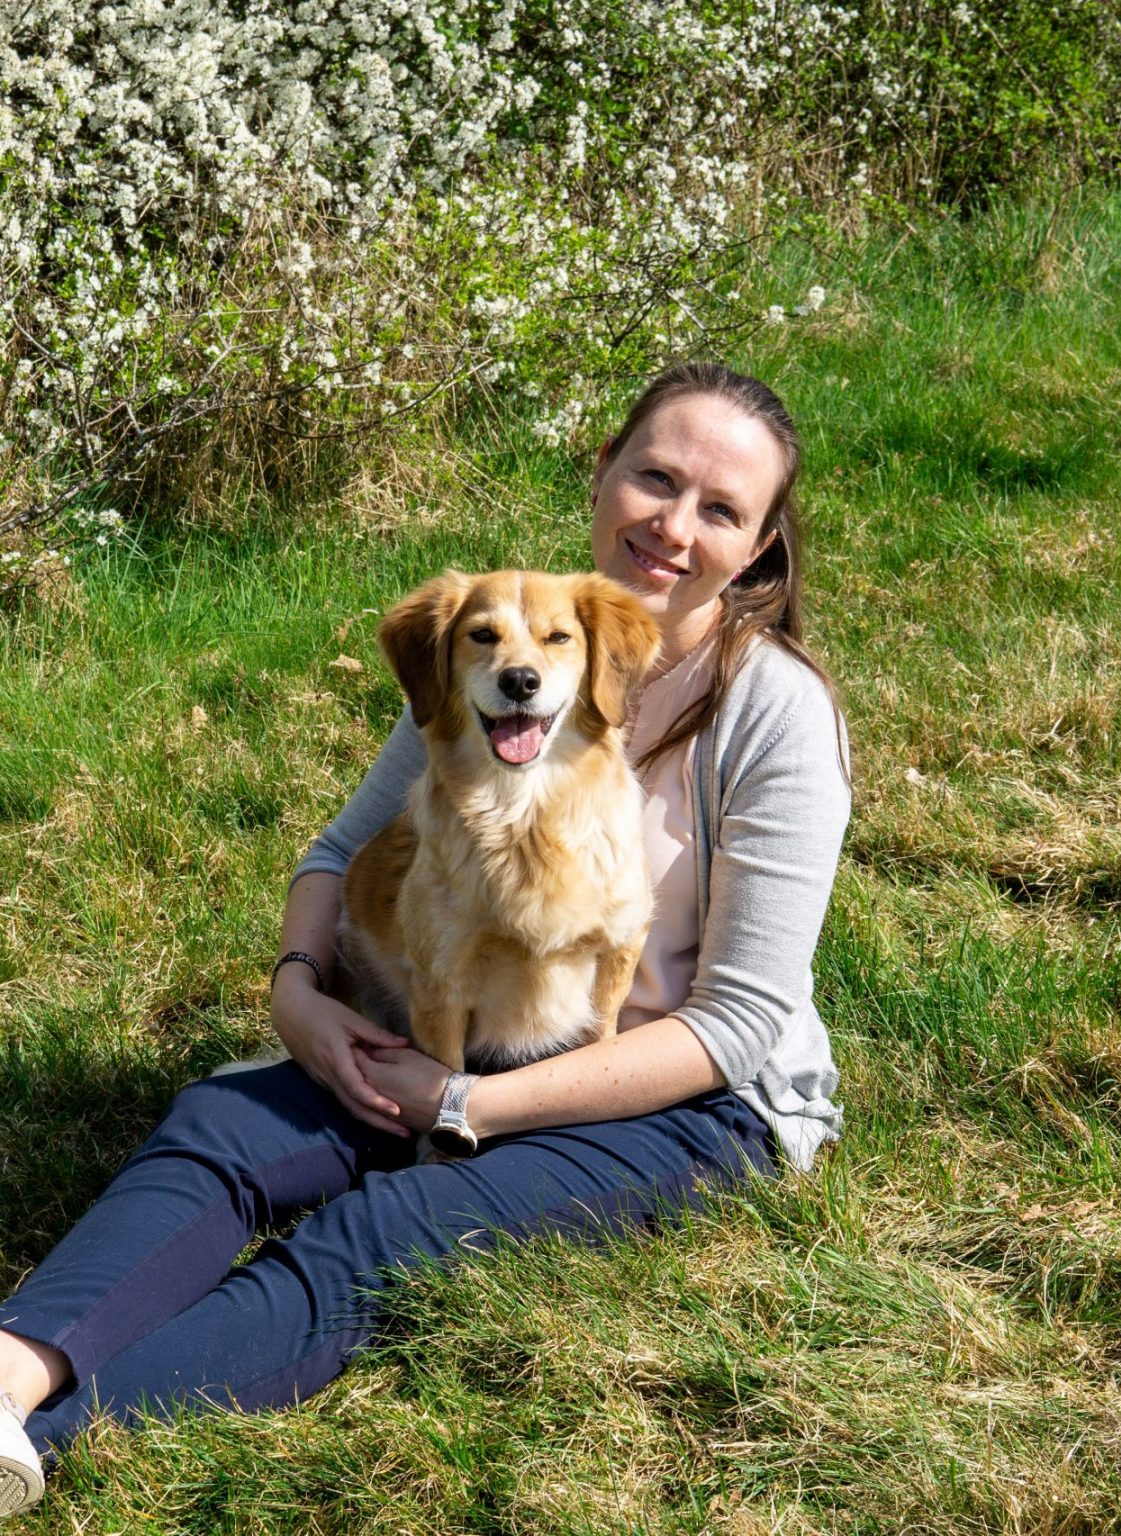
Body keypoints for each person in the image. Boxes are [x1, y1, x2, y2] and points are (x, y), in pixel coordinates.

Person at [0, 362, 850, 1516]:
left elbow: (740, 1021)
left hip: (681, 1094)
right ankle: (8, 1374)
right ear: (602, 472)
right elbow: (334, 854)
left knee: (387, 1228)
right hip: (458, 1028)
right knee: (219, 1126)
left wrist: (467, 1108)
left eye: (721, 510)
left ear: (756, 549)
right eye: (656, 478)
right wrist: (299, 995)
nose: (674, 525)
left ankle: (42, 1440)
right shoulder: (501, 650)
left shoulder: (776, 712)